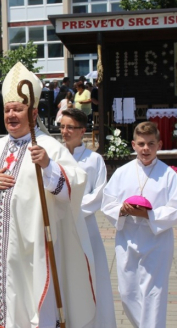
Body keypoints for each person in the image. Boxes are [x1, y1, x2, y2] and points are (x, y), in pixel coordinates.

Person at [0, 62, 96, 328]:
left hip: (31, 252)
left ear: (33, 114)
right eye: (8, 109)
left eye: (18, 110)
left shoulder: (48, 147)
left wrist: (48, 166)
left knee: (27, 311)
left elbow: (75, 185)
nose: (11, 115)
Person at [102, 122, 177, 328]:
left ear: (159, 145)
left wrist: (151, 215)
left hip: (157, 240)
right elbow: (108, 202)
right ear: (133, 145)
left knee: (153, 294)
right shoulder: (123, 172)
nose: (145, 149)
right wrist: (122, 209)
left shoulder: (168, 175)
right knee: (127, 292)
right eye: (141, 144)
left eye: (150, 144)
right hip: (127, 238)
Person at [60, 108, 117, 328]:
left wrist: (71, 207)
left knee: (91, 276)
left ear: (82, 130)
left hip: (85, 225)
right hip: (60, 225)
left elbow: (98, 194)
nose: (65, 131)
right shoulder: (54, 155)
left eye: (70, 127)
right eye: (62, 126)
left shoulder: (94, 160)